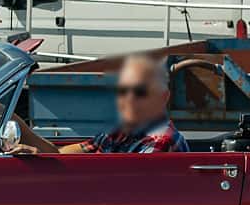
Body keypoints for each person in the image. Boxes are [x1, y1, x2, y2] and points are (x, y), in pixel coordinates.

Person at [14, 53, 187, 154]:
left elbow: (119, 188)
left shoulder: (162, 142)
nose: (129, 98)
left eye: (140, 92)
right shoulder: (123, 132)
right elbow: (60, 155)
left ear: (163, 97)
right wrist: (19, 126)